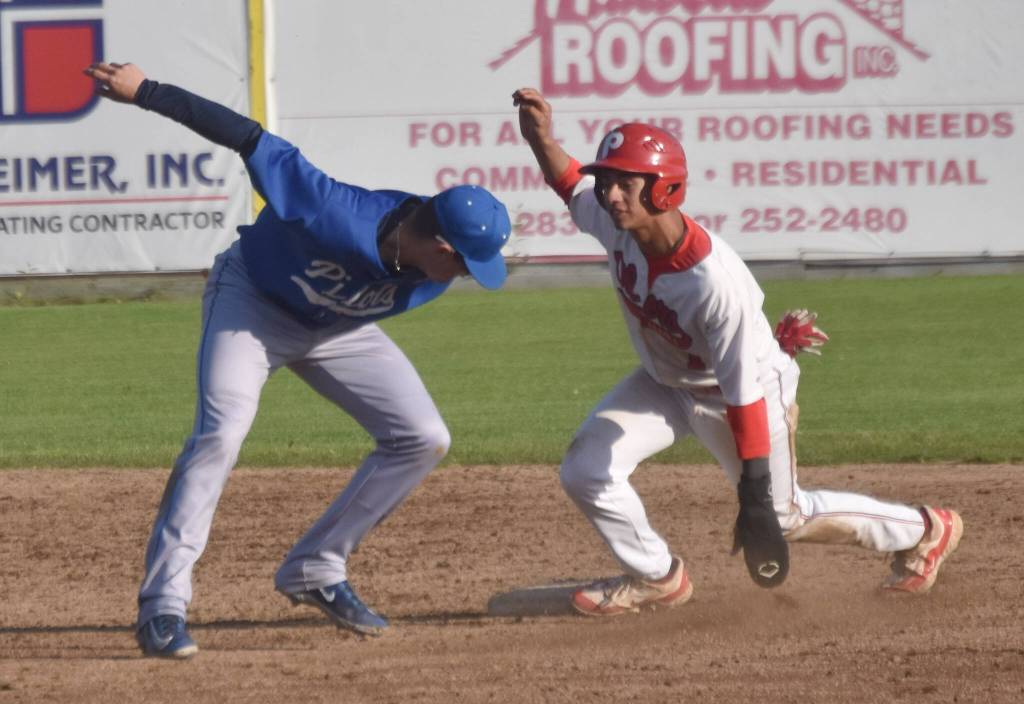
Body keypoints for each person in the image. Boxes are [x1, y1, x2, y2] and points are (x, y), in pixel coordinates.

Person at [85, 61, 512, 659]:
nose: (468, 276)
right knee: (221, 434)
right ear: (441, 246)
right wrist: (146, 92)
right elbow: (247, 135)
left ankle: (316, 566)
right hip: (253, 304)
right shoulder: (332, 210)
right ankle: (163, 604)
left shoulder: (431, 268)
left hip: (337, 326)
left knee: (422, 436)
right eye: (467, 262)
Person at [513, 87, 963, 616]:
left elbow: (744, 394)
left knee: (784, 516)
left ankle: (924, 531)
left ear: (665, 189)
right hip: (666, 382)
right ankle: (656, 577)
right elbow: (568, 183)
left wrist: (752, 495)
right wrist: (540, 138)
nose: (610, 194)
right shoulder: (620, 228)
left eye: (625, 183)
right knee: (586, 470)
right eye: (607, 181)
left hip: (739, 397)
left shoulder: (713, 284)